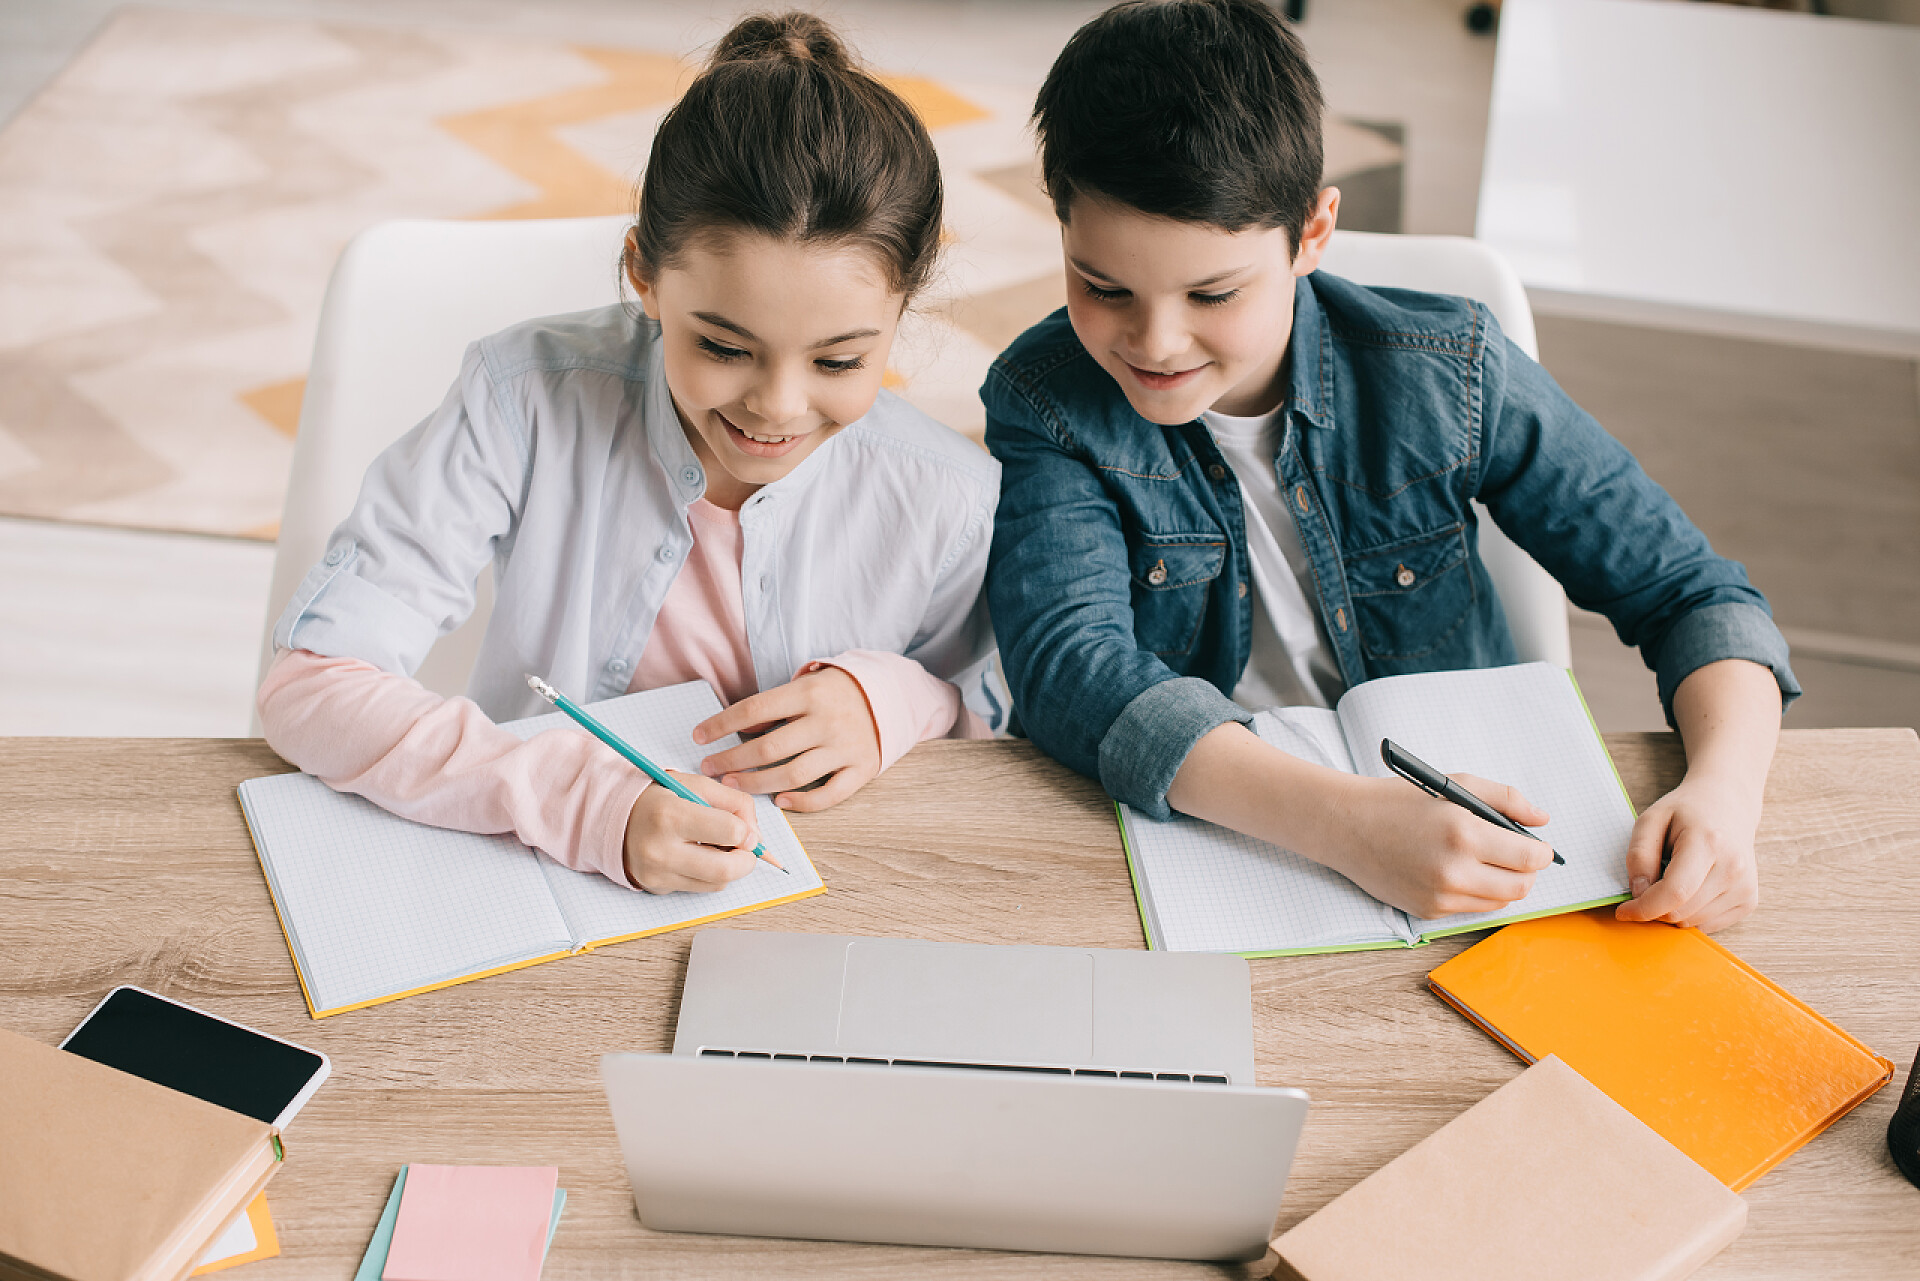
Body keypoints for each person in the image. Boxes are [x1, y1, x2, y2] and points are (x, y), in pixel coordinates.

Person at [983, 0, 1797, 933]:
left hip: (1480, 834)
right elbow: (1068, 665)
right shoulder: (1046, 397)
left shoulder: (1447, 370)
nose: (1154, 340)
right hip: (1227, 839)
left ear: (1314, 233)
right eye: (1102, 285)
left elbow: (1692, 593)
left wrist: (1728, 795)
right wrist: (1348, 824)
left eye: (1213, 293)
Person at [259, 12, 1001, 897]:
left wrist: (895, 700)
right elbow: (312, 685)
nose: (777, 405)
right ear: (644, 273)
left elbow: (1002, 715)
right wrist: (583, 802)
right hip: (528, 881)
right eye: (724, 347)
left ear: (903, 309)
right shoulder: (523, 397)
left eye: (839, 360)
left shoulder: (949, 495)